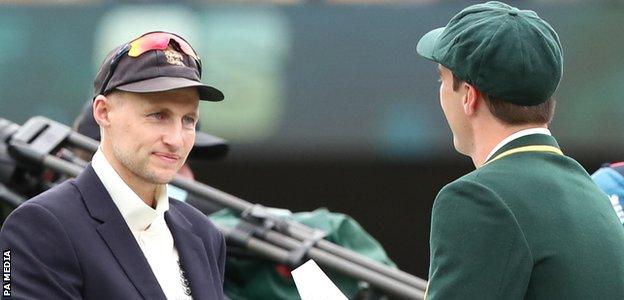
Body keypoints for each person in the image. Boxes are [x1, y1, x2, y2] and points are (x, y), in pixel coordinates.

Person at [415, 2, 624, 299]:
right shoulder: (592, 193)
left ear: (468, 97)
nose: (440, 90)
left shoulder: (478, 199)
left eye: (443, 79)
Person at [0, 31, 227, 299]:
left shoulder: (204, 233)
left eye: (188, 119)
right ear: (103, 112)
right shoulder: (40, 225)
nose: (176, 139)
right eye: (157, 115)